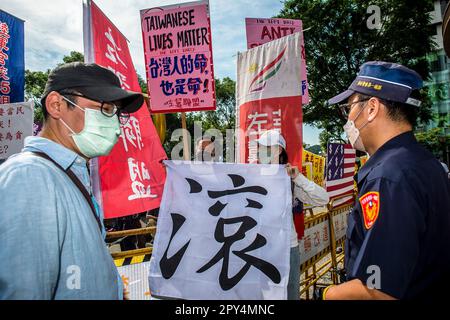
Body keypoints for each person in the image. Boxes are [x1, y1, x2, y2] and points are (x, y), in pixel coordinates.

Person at [0, 62, 144, 299]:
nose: (116, 125)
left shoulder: (65, 173)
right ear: (56, 105)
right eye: (106, 109)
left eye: (117, 113)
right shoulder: (30, 178)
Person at [322, 61, 450, 300]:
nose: (347, 120)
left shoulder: (388, 176)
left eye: (349, 108)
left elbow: (378, 289)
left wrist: (329, 293)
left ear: (371, 108)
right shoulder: (426, 163)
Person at [256, 130, 329, 300]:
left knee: (289, 295)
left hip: (287, 247)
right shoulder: (252, 175)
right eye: (259, 147)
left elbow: (323, 199)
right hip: (259, 248)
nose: (260, 151)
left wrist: (298, 178)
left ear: (279, 150)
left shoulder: (290, 179)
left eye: (265, 147)